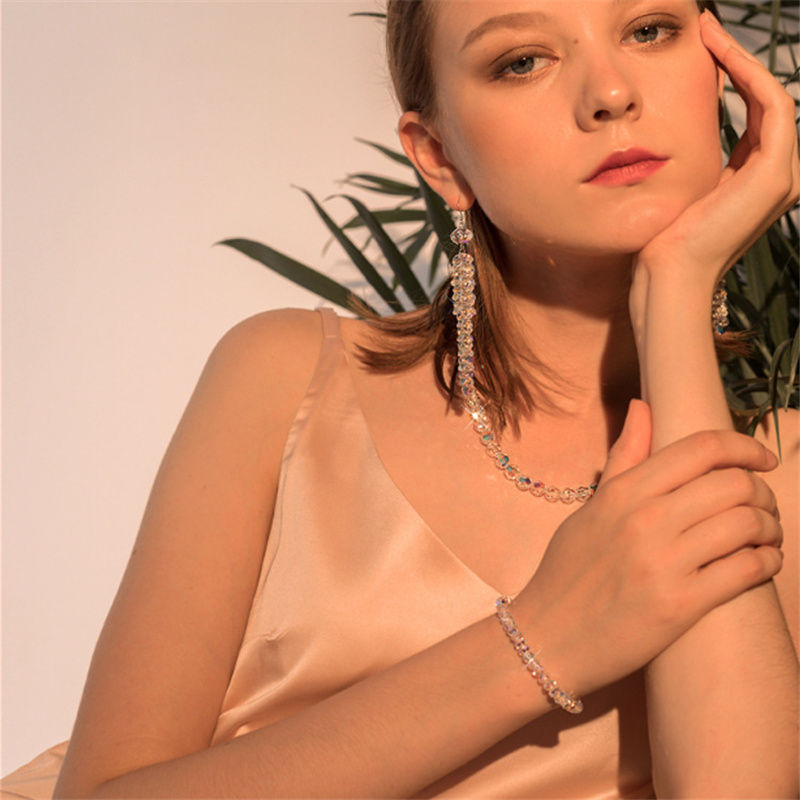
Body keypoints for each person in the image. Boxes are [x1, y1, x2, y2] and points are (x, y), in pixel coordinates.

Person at [5, 0, 797, 797]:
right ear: (439, 156)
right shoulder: (291, 383)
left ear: (722, 74)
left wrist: (676, 287)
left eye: (649, 30)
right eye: (522, 61)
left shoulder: (786, 473)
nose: (611, 94)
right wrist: (549, 636)